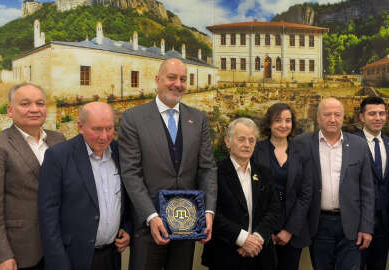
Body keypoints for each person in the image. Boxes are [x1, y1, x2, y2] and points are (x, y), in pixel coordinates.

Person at [118, 58, 217, 270]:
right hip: (148, 227)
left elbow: (208, 168)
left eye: (183, 79)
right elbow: (130, 173)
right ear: (158, 80)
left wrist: (208, 212)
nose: (178, 84)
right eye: (172, 77)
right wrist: (151, 216)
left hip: (187, 224)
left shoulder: (198, 119)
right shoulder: (133, 119)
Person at [38, 102, 131, 270]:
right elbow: (48, 216)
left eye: (109, 129)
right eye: (97, 129)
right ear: (80, 127)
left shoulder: (119, 152)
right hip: (73, 259)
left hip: (112, 256)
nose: (104, 136)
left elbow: (125, 197)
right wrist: (59, 263)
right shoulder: (58, 156)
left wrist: (126, 228)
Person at [0, 83, 65, 270]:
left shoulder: (58, 139)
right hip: (20, 249)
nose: (34, 109)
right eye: (25, 104)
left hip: (57, 243)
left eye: (40, 103)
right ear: (10, 111)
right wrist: (1, 254)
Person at [294, 97, 374, 270]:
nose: (332, 119)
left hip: (352, 226)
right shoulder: (301, 144)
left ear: (343, 117)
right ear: (318, 117)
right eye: (327, 114)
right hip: (318, 224)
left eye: (337, 115)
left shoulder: (359, 145)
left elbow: (367, 190)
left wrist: (367, 227)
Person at [201, 117, 280, 270]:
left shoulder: (264, 173)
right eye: (241, 139)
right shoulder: (214, 174)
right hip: (225, 255)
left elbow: (275, 210)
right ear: (228, 142)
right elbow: (211, 213)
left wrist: (256, 239)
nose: (247, 145)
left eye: (251, 140)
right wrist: (243, 239)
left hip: (260, 254)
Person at [253, 103, 312, 270]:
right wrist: (265, 230)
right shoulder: (257, 150)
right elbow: (253, 193)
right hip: (262, 229)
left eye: (288, 120)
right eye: (278, 120)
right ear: (269, 123)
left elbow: (306, 193)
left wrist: (289, 230)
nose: (284, 125)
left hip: (293, 229)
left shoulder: (302, 152)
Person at [356, 96, 389, 270]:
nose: (378, 118)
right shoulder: (350, 143)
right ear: (362, 117)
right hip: (358, 225)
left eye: (382, 113)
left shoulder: (388, 143)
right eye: (372, 114)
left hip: (384, 225)